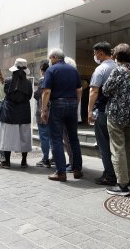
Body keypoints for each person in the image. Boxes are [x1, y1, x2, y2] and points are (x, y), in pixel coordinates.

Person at [102, 43, 130, 196]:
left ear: (117, 56)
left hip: (116, 115)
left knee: (118, 148)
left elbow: (105, 90)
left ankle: (122, 185)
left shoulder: (117, 71)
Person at [41, 48, 83, 182]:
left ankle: (61, 172)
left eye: (50, 58)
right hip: (72, 104)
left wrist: (43, 110)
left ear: (53, 57)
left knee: (56, 139)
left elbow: (46, 92)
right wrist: (75, 103)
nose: (49, 61)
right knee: (73, 138)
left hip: (57, 104)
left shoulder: (51, 70)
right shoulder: (73, 70)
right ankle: (77, 170)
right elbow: (79, 89)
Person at [88, 42, 117, 186]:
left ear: (100, 53)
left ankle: (109, 175)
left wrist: (89, 110)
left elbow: (93, 91)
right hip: (118, 112)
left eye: (95, 53)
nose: (95, 56)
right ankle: (120, 173)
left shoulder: (101, 69)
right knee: (117, 145)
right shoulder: (119, 67)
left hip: (103, 111)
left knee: (104, 144)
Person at [0, 58, 33, 168]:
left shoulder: (8, 81)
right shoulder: (28, 83)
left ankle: (7, 162)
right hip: (24, 111)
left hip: (10, 112)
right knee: (24, 136)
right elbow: (29, 96)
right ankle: (23, 161)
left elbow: (5, 93)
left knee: (8, 137)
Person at [34, 60, 52, 168]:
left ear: (42, 70)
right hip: (53, 111)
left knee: (44, 136)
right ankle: (54, 158)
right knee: (53, 137)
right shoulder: (55, 79)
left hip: (43, 111)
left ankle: (45, 159)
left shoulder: (43, 80)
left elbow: (37, 95)